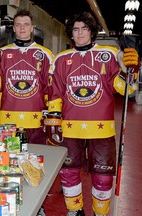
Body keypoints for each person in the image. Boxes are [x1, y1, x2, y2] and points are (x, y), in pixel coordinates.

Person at [47, 12, 139, 216]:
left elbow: (126, 90)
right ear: (71, 33)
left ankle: (100, 212)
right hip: (70, 128)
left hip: (101, 128)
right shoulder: (61, 58)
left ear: (92, 31)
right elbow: (56, 92)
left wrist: (129, 71)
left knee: (103, 176)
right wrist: (53, 117)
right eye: (76, 29)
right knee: (68, 172)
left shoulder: (108, 54)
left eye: (84, 29)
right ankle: (75, 211)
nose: (79, 33)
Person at [0, 9, 53, 144]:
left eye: (26, 24)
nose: (22, 28)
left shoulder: (45, 54)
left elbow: (50, 87)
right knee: (8, 160)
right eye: (18, 25)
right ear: (13, 28)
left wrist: (52, 113)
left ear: (32, 28)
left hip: (36, 120)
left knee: (35, 161)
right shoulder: (2, 53)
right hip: (8, 120)